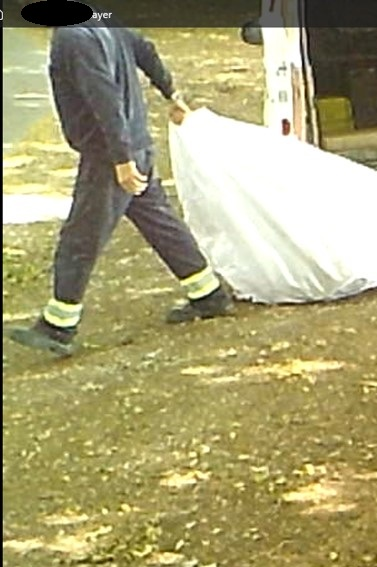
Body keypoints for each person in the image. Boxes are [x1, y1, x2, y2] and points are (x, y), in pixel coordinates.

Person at [5, 14, 234, 359]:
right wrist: (172, 92)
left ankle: (58, 325)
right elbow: (145, 49)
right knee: (160, 224)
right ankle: (208, 293)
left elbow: (104, 97)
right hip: (134, 145)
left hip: (110, 157)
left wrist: (121, 159)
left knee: (80, 237)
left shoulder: (73, 37)